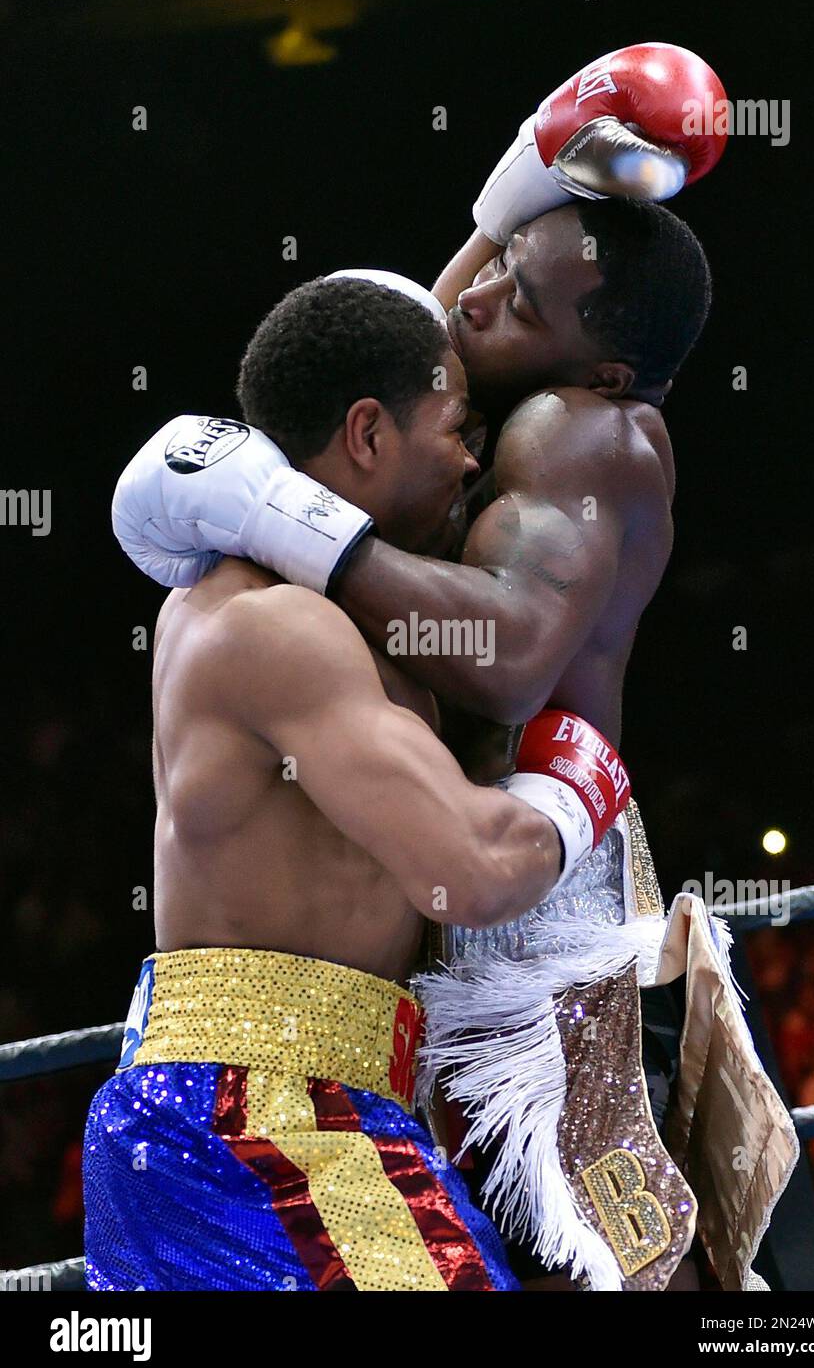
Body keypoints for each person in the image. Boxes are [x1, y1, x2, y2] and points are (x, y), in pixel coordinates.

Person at [109, 44, 799, 1290]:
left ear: (595, 364)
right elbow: (385, 374)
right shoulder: (445, 425)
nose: (473, 301)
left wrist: (285, 512)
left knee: (603, 1254)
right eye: (494, 270)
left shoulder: (583, 432)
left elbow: (503, 656)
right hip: (420, 895)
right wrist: (511, 189)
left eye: (517, 300)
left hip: (533, 894)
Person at [86, 277, 633, 1292]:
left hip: (244, 1101)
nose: (470, 462)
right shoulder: (278, 626)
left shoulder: (279, 604)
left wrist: (509, 196)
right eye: (455, 430)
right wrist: (574, 787)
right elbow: (472, 869)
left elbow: (391, 325)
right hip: (267, 1116)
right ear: (368, 433)